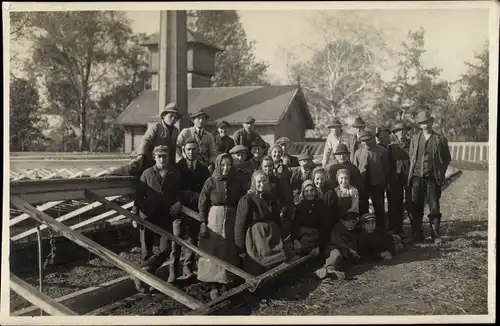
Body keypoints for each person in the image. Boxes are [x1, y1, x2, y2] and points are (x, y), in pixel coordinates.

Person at [197, 153, 247, 299]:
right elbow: (202, 203)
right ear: (218, 165)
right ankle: (212, 284)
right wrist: (203, 223)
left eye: (229, 165)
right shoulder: (211, 181)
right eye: (223, 165)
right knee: (213, 249)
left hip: (232, 218)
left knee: (228, 249)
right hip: (214, 219)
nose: (226, 168)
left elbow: (243, 199)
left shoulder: (236, 181)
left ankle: (227, 281)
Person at [133, 145, 182, 292]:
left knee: (165, 249)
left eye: (165, 156)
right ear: (154, 157)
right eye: (159, 156)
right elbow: (138, 196)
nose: (162, 159)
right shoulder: (147, 173)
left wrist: (179, 202)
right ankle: (143, 284)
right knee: (146, 251)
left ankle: (143, 273)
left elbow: (179, 192)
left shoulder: (174, 174)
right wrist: (135, 215)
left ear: (168, 157)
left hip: (165, 217)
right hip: (147, 216)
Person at [407, 110, 451, 245]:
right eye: (422, 123)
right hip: (416, 178)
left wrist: (439, 173)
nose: (425, 125)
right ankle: (416, 234)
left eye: (427, 122)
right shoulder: (415, 139)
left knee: (434, 206)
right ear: (420, 125)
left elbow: (447, 159)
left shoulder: (440, 139)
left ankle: (435, 235)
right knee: (416, 206)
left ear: (431, 122)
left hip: (432, 178)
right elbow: (411, 157)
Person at [234, 170, 289, 276]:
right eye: (259, 182)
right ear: (254, 182)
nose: (262, 184)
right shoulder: (246, 200)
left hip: (272, 235)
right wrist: (240, 248)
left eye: (264, 181)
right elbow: (240, 226)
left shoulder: (271, 198)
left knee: (276, 262)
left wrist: (280, 234)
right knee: (258, 264)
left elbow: (277, 219)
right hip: (256, 237)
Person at [173, 139, 210, 280]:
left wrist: (194, 197)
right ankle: (173, 270)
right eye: (188, 149)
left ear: (198, 151)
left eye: (194, 149)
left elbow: (204, 192)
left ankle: (188, 268)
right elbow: (174, 188)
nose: (191, 152)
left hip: (194, 210)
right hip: (179, 209)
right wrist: (182, 198)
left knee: (192, 240)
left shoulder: (203, 169)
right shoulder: (177, 167)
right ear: (184, 151)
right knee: (176, 239)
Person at [354, 130, 390, 229]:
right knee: (363, 208)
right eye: (363, 141)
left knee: (379, 208)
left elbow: (386, 168)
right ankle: (364, 229)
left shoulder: (382, 151)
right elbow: (355, 170)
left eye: (368, 140)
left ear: (373, 139)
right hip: (363, 185)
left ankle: (380, 229)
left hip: (377, 184)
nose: (366, 143)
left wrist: (385, 183)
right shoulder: (358, 152)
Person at [314, 209, 360, 280]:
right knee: (336, 254)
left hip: (346, 256)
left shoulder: (356, 231)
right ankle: (326, 268)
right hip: (334, 249)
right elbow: (335, 241)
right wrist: (349, 249)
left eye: (353, 222)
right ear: (343, 222)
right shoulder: (338, 228)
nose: (351, 224)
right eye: (348, 222)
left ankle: (331, 270)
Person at [134, 103, 181, 169]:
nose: (173, 119)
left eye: (175, 117)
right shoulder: (156, 127)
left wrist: (173, 163)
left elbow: (174, 149)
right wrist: (140, 155)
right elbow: (145, 140)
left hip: (165, 161)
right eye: (171, 116)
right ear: (164, 116)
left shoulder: (176, 131)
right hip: (150, 160)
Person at [290, 180, 330, 256]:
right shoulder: (299, 206)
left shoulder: (321, 205)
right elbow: (294, 224)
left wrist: (321, 245)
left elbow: (325, 226)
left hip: (315, 235)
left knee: (300, 249)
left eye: (312, 190)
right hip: (300, 234)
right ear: (303, 192)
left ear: (315, 191)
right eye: (306, 191)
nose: (309, 193)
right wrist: (295, 240)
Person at [386, 121, 411, 237]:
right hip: (395, 178)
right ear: (395, 133)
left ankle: (415, 228)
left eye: (403, 130)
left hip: (408, 176)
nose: (401, 133)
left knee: (412, 201)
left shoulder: (411, 144)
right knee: (396, 202)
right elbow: (388, 163)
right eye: (398, 131)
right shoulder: (391, 147)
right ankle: (396, 228)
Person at [261, 156, 293, 230]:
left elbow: (286, 198)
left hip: (277, 212)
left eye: (270, 166)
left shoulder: (279, 180)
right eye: (265, 166)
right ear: (262, 167)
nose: (268, 168)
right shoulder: (258, 180)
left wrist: (283, 210)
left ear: (273, 167)